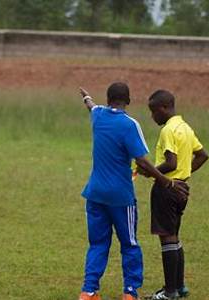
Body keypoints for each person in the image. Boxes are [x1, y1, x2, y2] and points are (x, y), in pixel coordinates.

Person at [78, 83, 189, 300]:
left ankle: (88, 291)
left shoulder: (98, 116)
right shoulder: (130, 125)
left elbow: (91, 107)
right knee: (129, 243)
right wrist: (167, 182)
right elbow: (143, 162)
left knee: (98, 243)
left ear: (108, 99)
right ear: (128, 101)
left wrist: (86, 97)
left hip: (95, 194)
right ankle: (129, 292)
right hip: (121, 197)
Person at [141, 90, 208, 300]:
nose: (152, 117)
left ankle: (169, 293)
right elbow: (202, 155)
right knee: (174, 237)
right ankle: (179, 287)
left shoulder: (168, 130)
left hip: (167, 189)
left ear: (163, 108)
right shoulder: (185, 127)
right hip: (181, 188)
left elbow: (171, 163)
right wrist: (183, 176)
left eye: (153, 112)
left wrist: (149, 170)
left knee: (167, 238)